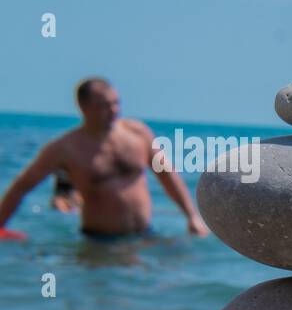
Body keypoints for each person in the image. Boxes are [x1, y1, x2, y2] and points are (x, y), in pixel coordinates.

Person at [0, 78, 207, 240]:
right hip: (98, 242)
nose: (114, 110)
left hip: (145, 237)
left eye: (116, 103)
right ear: (83, 107)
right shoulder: (64, 148)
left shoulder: (139, 134)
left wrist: (192, 216)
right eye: (104, 105)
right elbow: (22, 186)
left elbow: (167, 175)